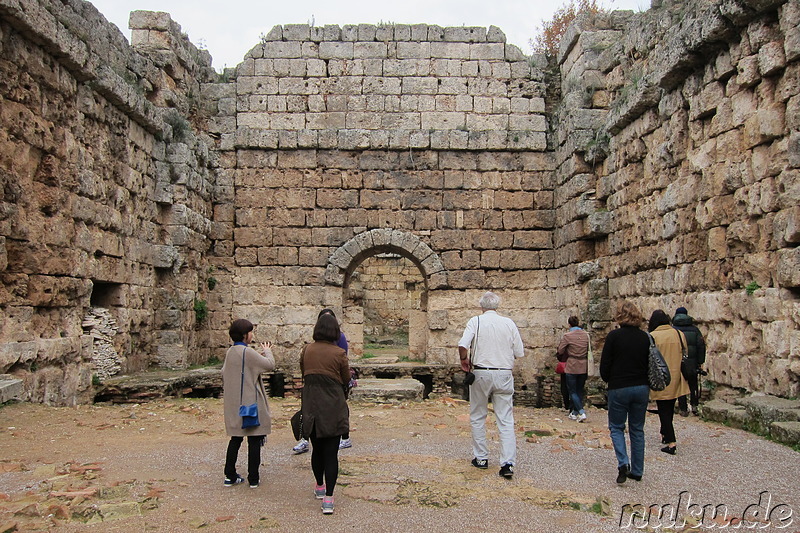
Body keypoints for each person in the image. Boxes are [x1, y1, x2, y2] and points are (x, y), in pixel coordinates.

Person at [458, 291, 524, 480]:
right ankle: (507, 463)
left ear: (482, 306)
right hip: (503, 372)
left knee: (478, 415)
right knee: (505, 419)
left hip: (481, 372)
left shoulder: (475, 321)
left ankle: (481, 458)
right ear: (497, 306)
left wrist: (464, 360)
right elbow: (519, 352)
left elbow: (463, 344)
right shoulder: (509, 323)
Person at [299, 313, 350, 514]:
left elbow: (304, 373)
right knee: (331, 454)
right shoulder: (339, 353)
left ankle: (319, 485)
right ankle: (329, 498)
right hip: (333, 407)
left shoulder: (306, 351)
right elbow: (346, 379)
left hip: (312, 405)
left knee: (317, 450)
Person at [599, 301, 650, 484]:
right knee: (637, 429)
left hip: (619, 387)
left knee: (616, 427)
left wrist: (609, 379)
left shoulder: (614, 336)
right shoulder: (645, 337)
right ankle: (637, 471)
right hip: (641, 387)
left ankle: (623, 463)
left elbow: (605, 366)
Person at [222, 319, 275, 488]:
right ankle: (254, 477)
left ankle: (229, 474)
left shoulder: (230, 352)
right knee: (254, 440)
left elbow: (224, 372)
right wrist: (267, 351)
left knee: (235, 438)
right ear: (245, 335)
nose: (252, 335)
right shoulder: (247, 353)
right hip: (250, 402)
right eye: (250, 332)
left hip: (234, 403)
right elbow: (269, 365)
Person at [293, 308, 351, 454]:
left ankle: (344, 436)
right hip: (317, 388)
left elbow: (343, 367)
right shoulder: (310, 349)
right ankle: (305, 439)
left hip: (331, 386)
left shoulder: (338, 346)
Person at [649, 309, 689, 455]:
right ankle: (665, 433)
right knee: (669, 407)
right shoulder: (678, 334)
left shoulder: (652, 336)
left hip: (661, 376)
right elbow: (685, 352)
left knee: (663, 408)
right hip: (676, 375)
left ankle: (671, 441)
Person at [672, 306, 706, 416]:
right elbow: (701, 346)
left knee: (680, 385)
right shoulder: (695, 330)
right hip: (693, 362)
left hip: (679, 362)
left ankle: (683, 408)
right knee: (693, 384)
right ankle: (694, 405)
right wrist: (700, 361)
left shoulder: (673, 330)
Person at [557, 315, 590, 422]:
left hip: (572, 365)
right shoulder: (586, 335)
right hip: (584, 365)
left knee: (572, 390)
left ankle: (581, 411)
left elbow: (560, 351)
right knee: (579, 390)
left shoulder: (568, 336)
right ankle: (574, 412)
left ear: (569, 324)